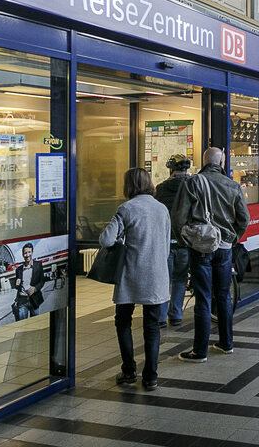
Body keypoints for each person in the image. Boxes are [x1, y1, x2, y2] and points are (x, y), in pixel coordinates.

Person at [173, 147, 249, 363]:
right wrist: (232, 240)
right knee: (224, 296)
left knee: (203, 298)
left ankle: (200, 351)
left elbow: (178, 218)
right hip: (225, 249)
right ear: (221, 163)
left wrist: (186, 241)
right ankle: (226, 343)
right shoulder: (233, 185)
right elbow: (244, 218)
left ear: (204, 161)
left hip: (201, 248)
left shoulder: (193, 183)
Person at [100, 167, 171, 390]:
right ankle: (151, 377)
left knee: (123, 321)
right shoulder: (161, 209)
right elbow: (167, 245)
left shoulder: (126, 209)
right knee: (152, 326)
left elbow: (106, 240)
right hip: (156, 275)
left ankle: (129, 370)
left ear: (128, 185)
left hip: (131, 274)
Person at [154, 153, 193, 326]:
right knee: (180, 279)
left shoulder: (161, 188)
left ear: (171, 170)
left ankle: (161, 317)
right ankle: (176, 314)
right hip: (185, 241)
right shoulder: (193, 186)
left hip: (165, 242)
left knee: (164, 280)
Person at [11, 242, 45, 320]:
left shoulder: (38, 265)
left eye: (29, 252)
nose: (27, 255)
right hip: (22, 301)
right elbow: (18, 286)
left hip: (34, 300)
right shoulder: (19, 269)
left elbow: (42, 281)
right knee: (22, 325)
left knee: (35, 323)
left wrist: (35, 289)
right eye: (25, 253)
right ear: (23, 255)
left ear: (32, 252)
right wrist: (16, 284)